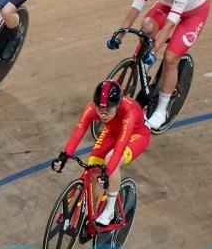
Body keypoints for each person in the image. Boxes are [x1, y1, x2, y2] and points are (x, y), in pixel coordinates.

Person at [107, 0, 210, 129]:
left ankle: (161, 110)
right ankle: (143, 65)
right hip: (168, 6)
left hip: (194, 14)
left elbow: (170, 25)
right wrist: (119, 36)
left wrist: (154, 52)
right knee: (147, 27)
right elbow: (135, 8)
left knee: (171, 57)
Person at [51, 80, 151, 226]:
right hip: (113, 132)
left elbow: (119, 148)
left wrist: (107, 173)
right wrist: (63, 157)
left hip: (136, 135)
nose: (102, 115)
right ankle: (90, 215)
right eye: (99, 110)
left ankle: (110, 210)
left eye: (107, 111)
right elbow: (78, 132)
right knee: (93, 168)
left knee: (110, 160)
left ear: (117, 105)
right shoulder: (92, 108)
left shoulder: (129, 111)